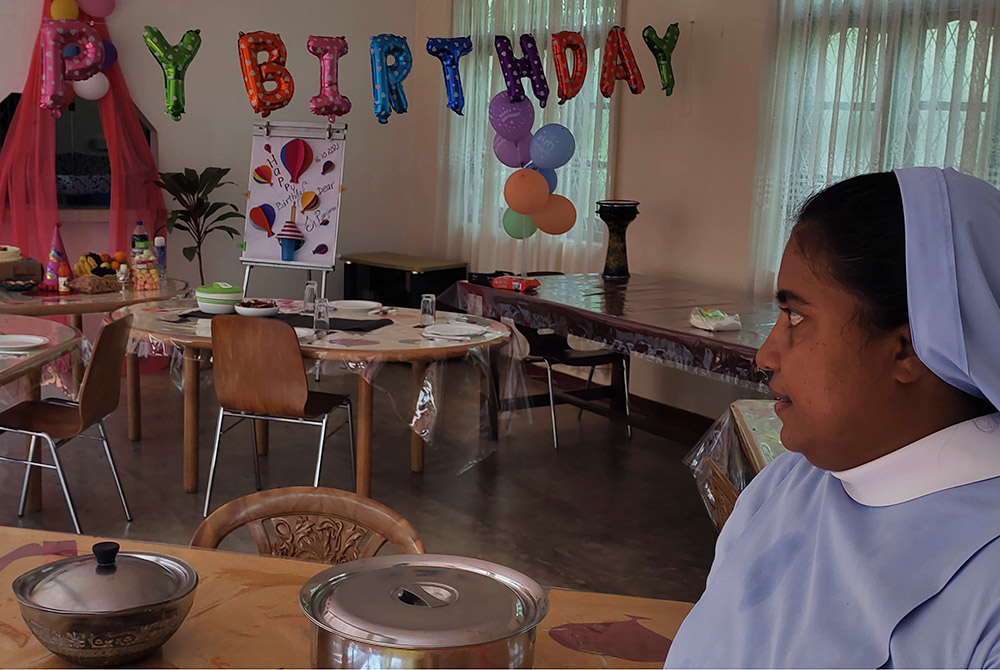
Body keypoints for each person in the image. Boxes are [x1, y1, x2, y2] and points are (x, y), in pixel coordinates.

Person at [666, 168, 1000, 668]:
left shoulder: (987, 590)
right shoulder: (784, 485)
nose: (766, 354)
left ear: (909, 349)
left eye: (796, 316)